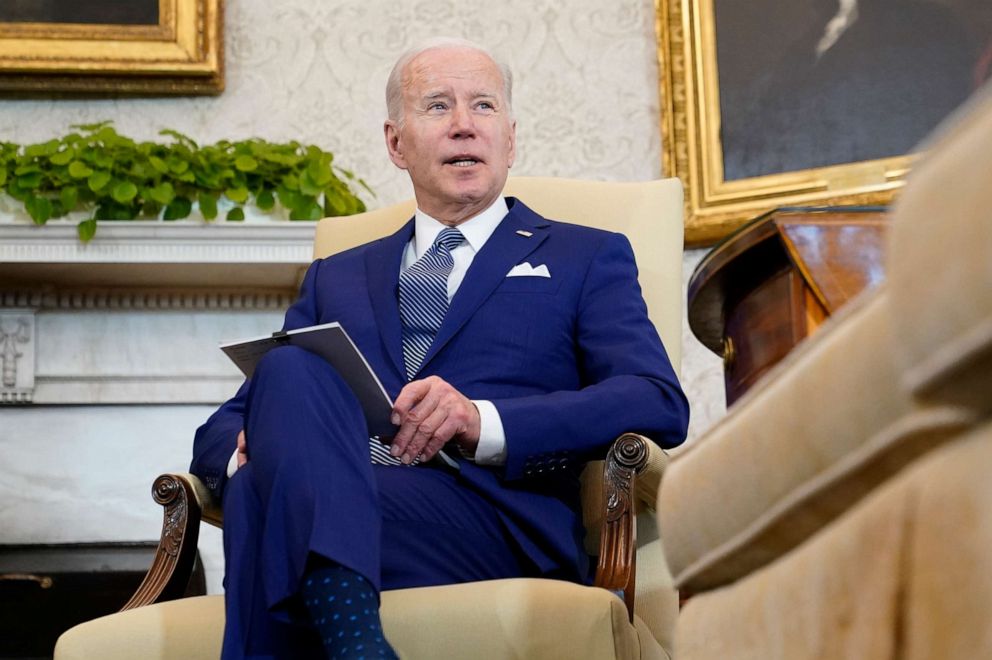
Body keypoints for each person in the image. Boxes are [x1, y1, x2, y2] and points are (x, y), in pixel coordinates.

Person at [191, 37, 689, 659]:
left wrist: (482, 421)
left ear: (510, 137)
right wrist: (265, 453)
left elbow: (657, 400)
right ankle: (358, 641)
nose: (462, 126)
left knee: (259, 503)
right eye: (436, 106)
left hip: (490, 519)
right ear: (396, 143)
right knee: (287, 376)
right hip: (356, 503)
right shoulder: (337, 275)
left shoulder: (584, 255)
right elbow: (229, 421)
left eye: (482, 107)